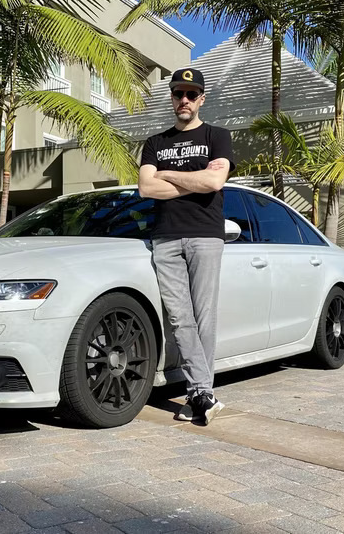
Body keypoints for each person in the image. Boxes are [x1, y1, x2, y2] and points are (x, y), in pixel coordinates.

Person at [138, 68, 235, 425]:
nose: (184, 100)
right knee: (180, 318)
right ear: (172, 97)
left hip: (205, 235)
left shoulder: (217, 136)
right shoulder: (155, 142)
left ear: (201, 99)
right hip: (165, 237)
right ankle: (203, 396)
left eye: (191, 94)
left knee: (204, 316)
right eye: (179, 93)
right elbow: (146, 189)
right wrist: (196, 179)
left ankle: (198, 392)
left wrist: (166, 174)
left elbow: (214, 182)